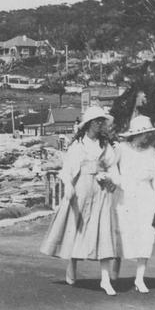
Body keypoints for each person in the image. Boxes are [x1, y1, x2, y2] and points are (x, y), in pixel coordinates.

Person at [40, 106, 120, 295]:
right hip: (81, 190)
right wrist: (68, 185)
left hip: (101, 192)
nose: (101, 124)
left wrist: (107, 177)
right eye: (97, 121)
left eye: (102, 121)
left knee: (103, 232)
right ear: (89, 124)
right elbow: (67, 171)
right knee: (76, 229)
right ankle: (71, 266)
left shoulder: (105, 146)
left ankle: (105, 279)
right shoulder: (78, 146)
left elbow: (114, 170)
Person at [112, 116, 155, 293]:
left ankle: (139, 278)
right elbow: (110, 166)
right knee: (121, 234)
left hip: (145, 197)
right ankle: (113, 276)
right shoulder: (121, 149)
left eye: (148, 134)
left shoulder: (151, 152)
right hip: (125, 196)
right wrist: (117, 181)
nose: (147, 137)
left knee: (145, 237)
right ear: (136, 134)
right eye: (144, 134)